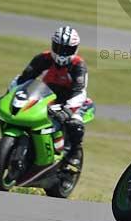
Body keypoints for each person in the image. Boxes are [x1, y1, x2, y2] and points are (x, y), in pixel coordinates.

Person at [14, 26, 89, 172]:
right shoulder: (43, 58)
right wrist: (11, 95)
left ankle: (74, 154)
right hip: (46, 96)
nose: (62, 53)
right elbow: (22, 80)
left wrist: (67, 111)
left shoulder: (78, 65)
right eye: (59, 47)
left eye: (67, 49)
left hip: (72, 101)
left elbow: (79, 91)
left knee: (75, 124)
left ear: (75, 49)